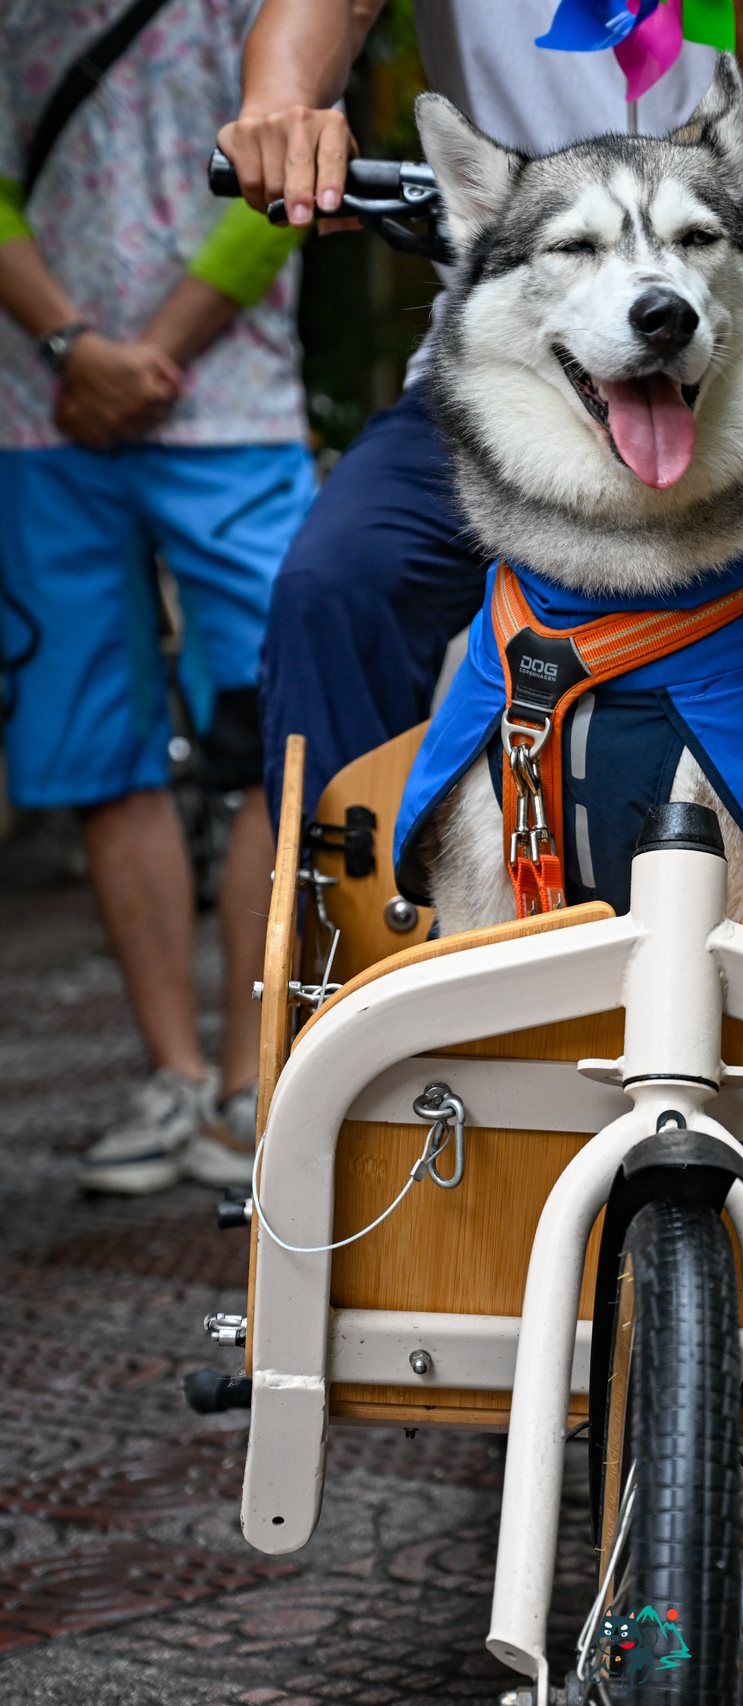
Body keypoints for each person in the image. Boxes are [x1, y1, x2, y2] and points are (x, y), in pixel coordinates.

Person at [218, 0, 743, 827]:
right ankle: (352, 929)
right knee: (337, 585)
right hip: (516, 372)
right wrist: (282, 101)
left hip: (729, 377)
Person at [0, 1, 316, 1194]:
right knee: (92, 748)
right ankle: (174, 1071)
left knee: (266, 736)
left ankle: (245, 1081)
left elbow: (288, 179)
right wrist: (72, 348)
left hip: (227, 412)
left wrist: (143, 358)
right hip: (42, 421)